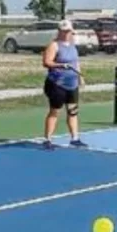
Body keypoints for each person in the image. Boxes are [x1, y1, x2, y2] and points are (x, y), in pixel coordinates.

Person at [41, 19, 87, 149]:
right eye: (63, 31)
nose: (66, 34)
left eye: (68, 31)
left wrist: (80, 76)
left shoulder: (72, 45)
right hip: (57, 83)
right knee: (54, 111)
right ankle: (48, 140)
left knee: (73, 111)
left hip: (72, 84)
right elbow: (46, 62)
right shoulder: (54, 45)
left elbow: (76, 63)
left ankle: (75, 138)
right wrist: (61, 65)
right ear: (59, 31)